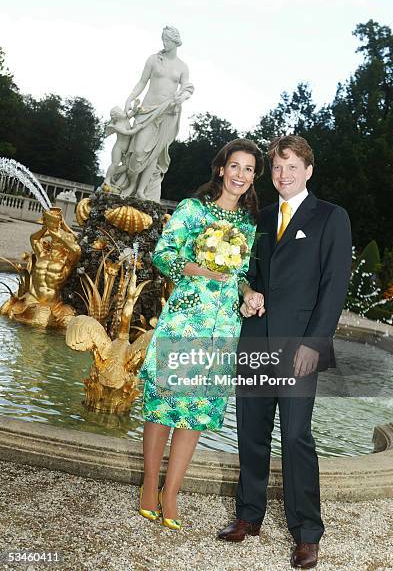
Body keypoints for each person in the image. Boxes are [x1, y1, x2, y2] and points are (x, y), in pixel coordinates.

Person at [218, 135, 352, 569]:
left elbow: (334, 287)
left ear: (308, 171)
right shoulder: (261, 217)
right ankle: (248, 516)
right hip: (256, 340)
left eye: (292, 167)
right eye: (277, 167)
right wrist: (249, 291)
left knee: (296, 437)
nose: (283, 174)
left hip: (300, 348)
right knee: (251, 432)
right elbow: (251, 272)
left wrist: (316, 344)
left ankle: (307, 532)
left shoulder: (331, 217)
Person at [138, 138, 264, 529]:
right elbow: (163, 254)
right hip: (185, 320)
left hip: (223, 328)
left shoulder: (248, 224)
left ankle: (171, 493)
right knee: (163, 406)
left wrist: (248, 293)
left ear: (254, 177)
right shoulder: (193, 210)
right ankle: (147, 486)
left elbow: (241, 275)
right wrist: (201, 270)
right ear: (221, 169)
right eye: (235, 166)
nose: (240, 175)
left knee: (195, 413)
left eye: (249, 169)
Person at [113, 25, 194, 201]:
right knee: (138, 150)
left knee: (154, 155)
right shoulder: (153, 60)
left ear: (175, 42)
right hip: (147, 111)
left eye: (167, 40)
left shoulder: (182, 67)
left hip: (167, 114)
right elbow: (142, 82)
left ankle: (142, 190)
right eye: (163, 39)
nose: (164, 43)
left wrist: (183, 97)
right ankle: (132, 183)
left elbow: (187, 87)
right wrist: (129, 99)